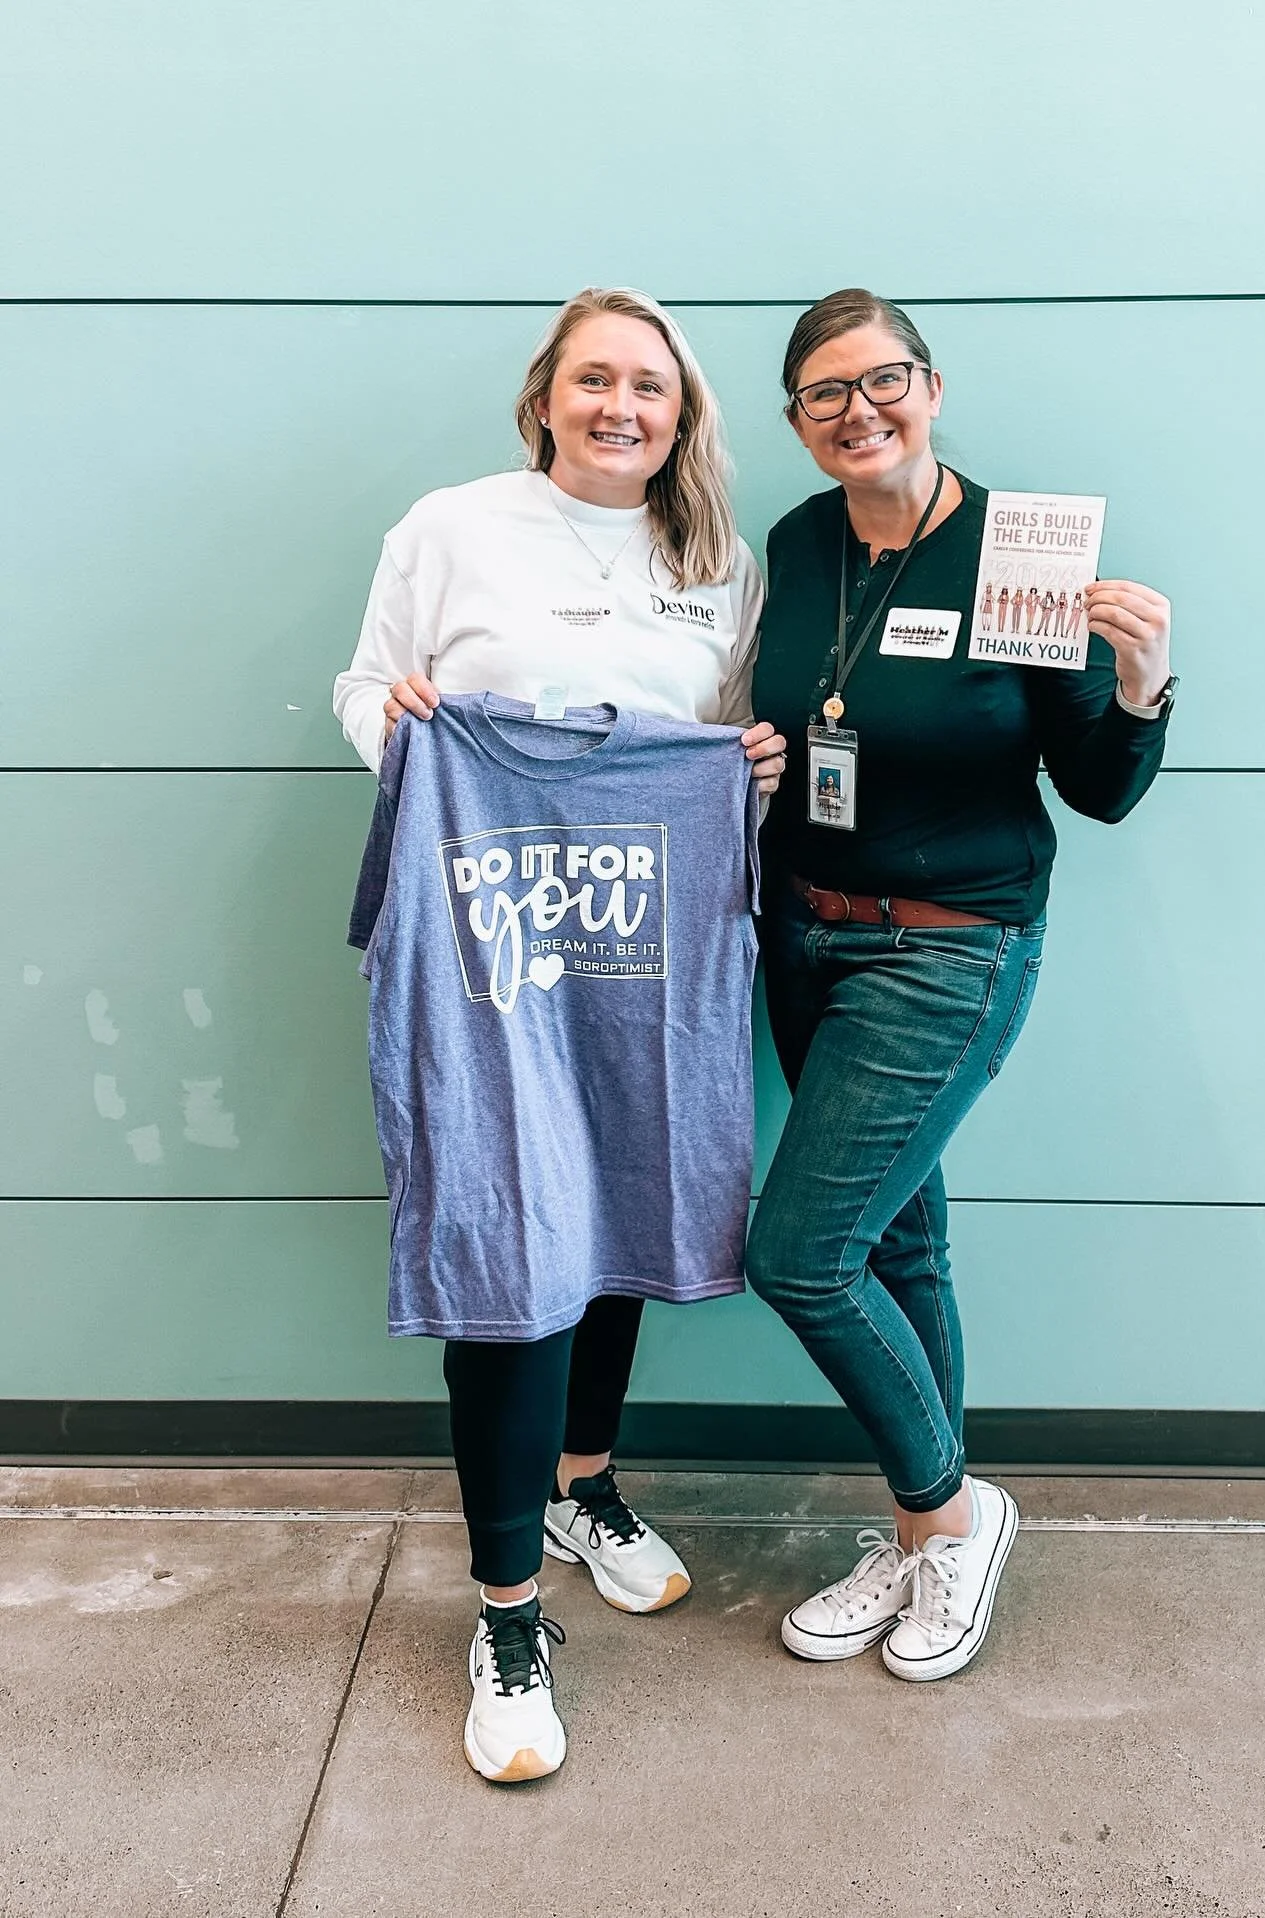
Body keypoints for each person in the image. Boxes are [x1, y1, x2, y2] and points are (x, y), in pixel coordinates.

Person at [333, 287, 785, 1780]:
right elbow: (365, 686)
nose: (621, 405)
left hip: (644, 951)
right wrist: (392, 716)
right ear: (545, 395)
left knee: (622, 1206)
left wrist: (754, 770)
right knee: (509, 1233)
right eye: (595, 378)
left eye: (649, 386)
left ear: (681, 412)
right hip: (485, 950)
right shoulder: (449, 526)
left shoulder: (713, 562)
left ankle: (585, 1484)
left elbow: (718, 749)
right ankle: (508, 1610)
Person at [747, 288, 1173, 1683]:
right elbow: (788, 717)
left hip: (950, 946)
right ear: (802, 426)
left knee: (800, 1254)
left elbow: (1098, 790)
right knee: (898, 1245)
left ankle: (952, 1509)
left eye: (884, 381)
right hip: (804, 936)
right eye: (826, 394)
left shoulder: (1019, 554)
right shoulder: (801, 545)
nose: (859, 411)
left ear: (932, 387)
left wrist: (1142, 679)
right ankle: (923, 1530)